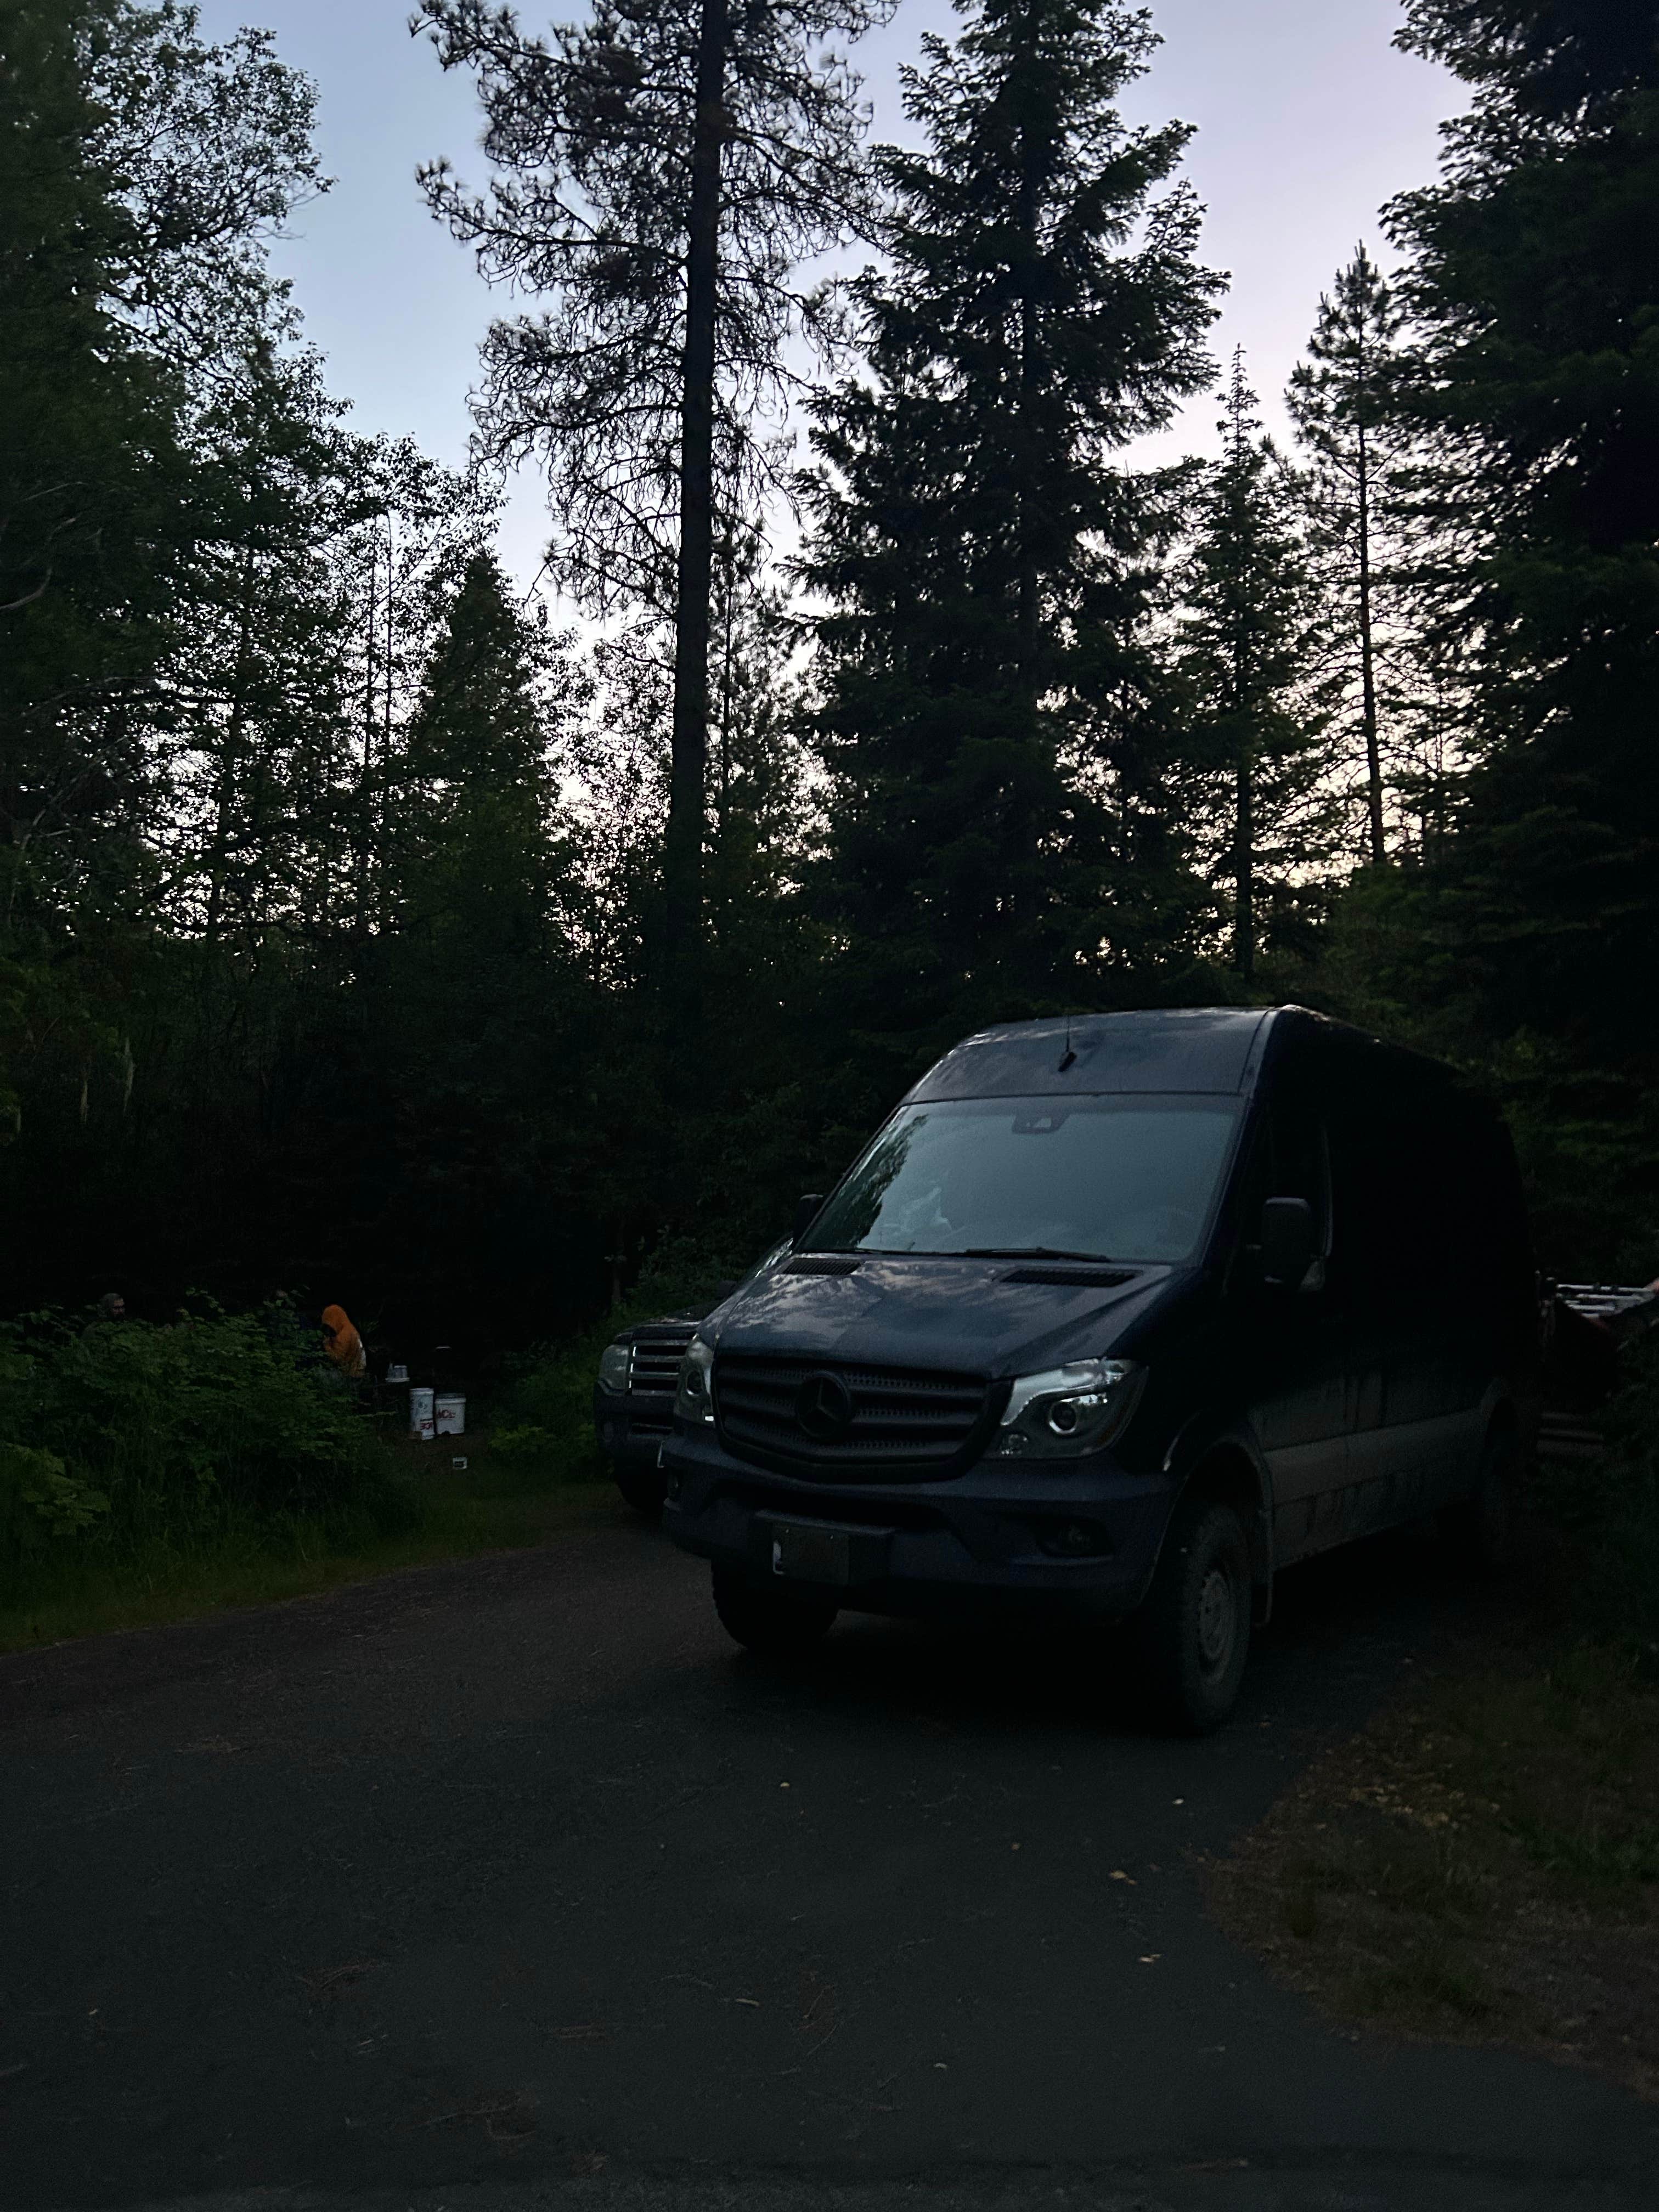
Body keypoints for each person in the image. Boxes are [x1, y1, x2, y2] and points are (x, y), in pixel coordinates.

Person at [320, 1304, 366, 1380]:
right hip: (357, 1373)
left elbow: (338, 1359)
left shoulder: (343, 1335)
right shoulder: (349, 1329)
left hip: (349, 1376)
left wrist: (327, 1345)